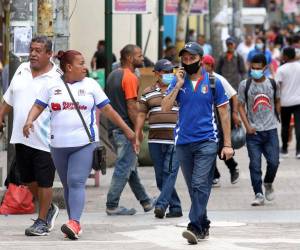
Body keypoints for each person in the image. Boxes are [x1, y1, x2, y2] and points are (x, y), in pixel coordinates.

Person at [23, 50, 136, 240]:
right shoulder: (51, 85)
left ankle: (75, 222)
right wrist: (29, 120)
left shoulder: (91, 85)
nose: (85, 67)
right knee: (68, 184)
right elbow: (38, 105)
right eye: (81, 63)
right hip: (58, 145)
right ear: (69, 67)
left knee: (76, 181)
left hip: (84, 144)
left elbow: (107, 109)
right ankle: (72, 222)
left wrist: (127, 129)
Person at [161, 42, 234, 244]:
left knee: (199, 183)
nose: (187, 62)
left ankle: (193, 225)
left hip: (207, 141)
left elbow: (224, 113)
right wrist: (176, 85)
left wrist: (227, 144)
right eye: (184, 59)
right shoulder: (178, 82)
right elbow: (165, 107)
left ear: (201, 60)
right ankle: (204, 224)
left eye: (191, 58)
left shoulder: (213, 82)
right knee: (194, 189)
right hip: (183, 142)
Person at [0, 36, 60, 236]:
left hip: (46, 139)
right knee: (27, 179)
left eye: (38, 50)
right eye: (31, 49)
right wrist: (0, 116)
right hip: (20, 137)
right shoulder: (22, 69)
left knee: (44, 180)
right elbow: (9, 97)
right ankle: (49, 208)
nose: (33, 54)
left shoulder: (57, 77)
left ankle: (42, 221)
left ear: (49, 54)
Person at [105, 44, 155, 216]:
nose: (142, 58)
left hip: (114, 129)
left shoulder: (113, 75)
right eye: (139, 56)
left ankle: (146, 202)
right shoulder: (130, 77)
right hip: (126, 130)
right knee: (123, 167)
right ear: (129, 58)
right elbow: (132, 107)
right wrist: (138, 132)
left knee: (130, 167)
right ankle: (112, 204)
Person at [135, 59, 182, 219]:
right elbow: (141, 114)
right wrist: (137, 136)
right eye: (165, 72)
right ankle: (175, 207)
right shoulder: (148, 91)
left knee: (170, 173)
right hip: (155, 141)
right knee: (160, 178)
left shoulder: (179, 89)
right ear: (156, 73)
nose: (169, 75)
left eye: (171, 72)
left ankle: (161, 205)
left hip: (174, 140)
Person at [238, 53, 280, 206]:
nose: (255, 71)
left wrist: (277, 117)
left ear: (265, 68)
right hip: (253, 133)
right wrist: (247, 126)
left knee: (274, 162)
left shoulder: (273, 84)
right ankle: (258, 193)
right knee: (255, 164)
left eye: (258, 68)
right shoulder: (245, 84)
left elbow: (277, 101)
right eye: (253, 68)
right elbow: (240, 106)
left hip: (271, 131)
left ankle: (268, 183)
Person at [202, 55, 240, 186]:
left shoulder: (219, 79)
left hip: (219, 118)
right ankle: (214, 175)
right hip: (206, 119)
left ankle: (233, 167)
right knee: (207, 149)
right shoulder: (199, 79)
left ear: (211, 66)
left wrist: (235, 113)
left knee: (220, 148)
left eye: (205, 64)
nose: (202, 66)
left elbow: (234, 95)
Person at [275, 47, 300, 159]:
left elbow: (277, 87)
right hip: (298, 101)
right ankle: (299, 151)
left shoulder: (281, 69)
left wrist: (276, 104)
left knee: (285, 126)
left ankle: (284, 149)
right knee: (299, 127)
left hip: (285, 103)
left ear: (285, 56)